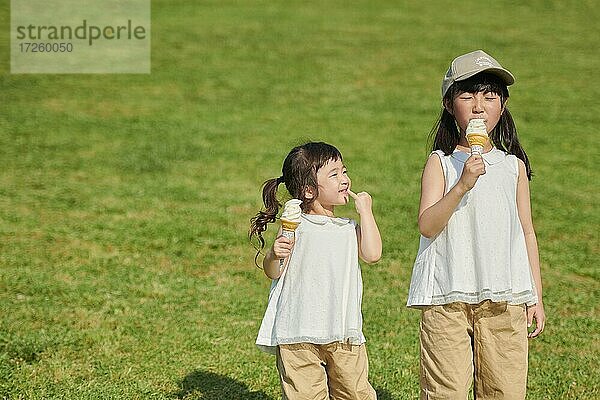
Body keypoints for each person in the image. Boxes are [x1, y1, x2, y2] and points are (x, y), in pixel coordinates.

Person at [406, 50, 546, 399]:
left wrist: (535, 296)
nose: (479, 105)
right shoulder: (440, 162)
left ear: (503, 104)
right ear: (449, 104)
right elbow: (427, 224)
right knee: (445, 391)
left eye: (489, 95)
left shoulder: (513, 167)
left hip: (505, 297)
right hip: (446, 296)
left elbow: (527, 232)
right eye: (467, 95)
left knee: (505, 390)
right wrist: (462, 185)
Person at [250, 142, 382, 400]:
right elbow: (273, 271)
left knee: (356, 393)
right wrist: (275, 254)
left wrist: (366, 212)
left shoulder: (347, 228)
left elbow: (373, 253)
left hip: (343, 330)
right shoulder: (296, 225)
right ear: (309, 190)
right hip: (298, 333)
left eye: (344, 171)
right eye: (334, 175)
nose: (345, 179)